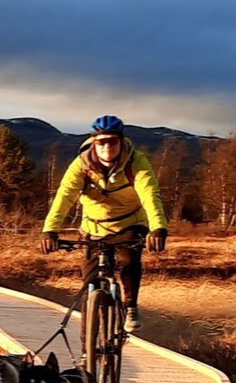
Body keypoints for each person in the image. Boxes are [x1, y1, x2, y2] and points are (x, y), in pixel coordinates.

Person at [40, 114, 168, 333]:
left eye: (112, 141)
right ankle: (86, 349)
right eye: (101, 141)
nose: (107, 146)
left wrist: (158, 227)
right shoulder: (82, 164)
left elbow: (150, 194)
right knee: (89, 285)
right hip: (93, 227)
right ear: (94, 142)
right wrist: (49, 230)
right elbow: (64, 196)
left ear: (121, 141)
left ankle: (130, 307)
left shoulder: (136, 162)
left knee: (129, 261)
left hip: (129, 223)